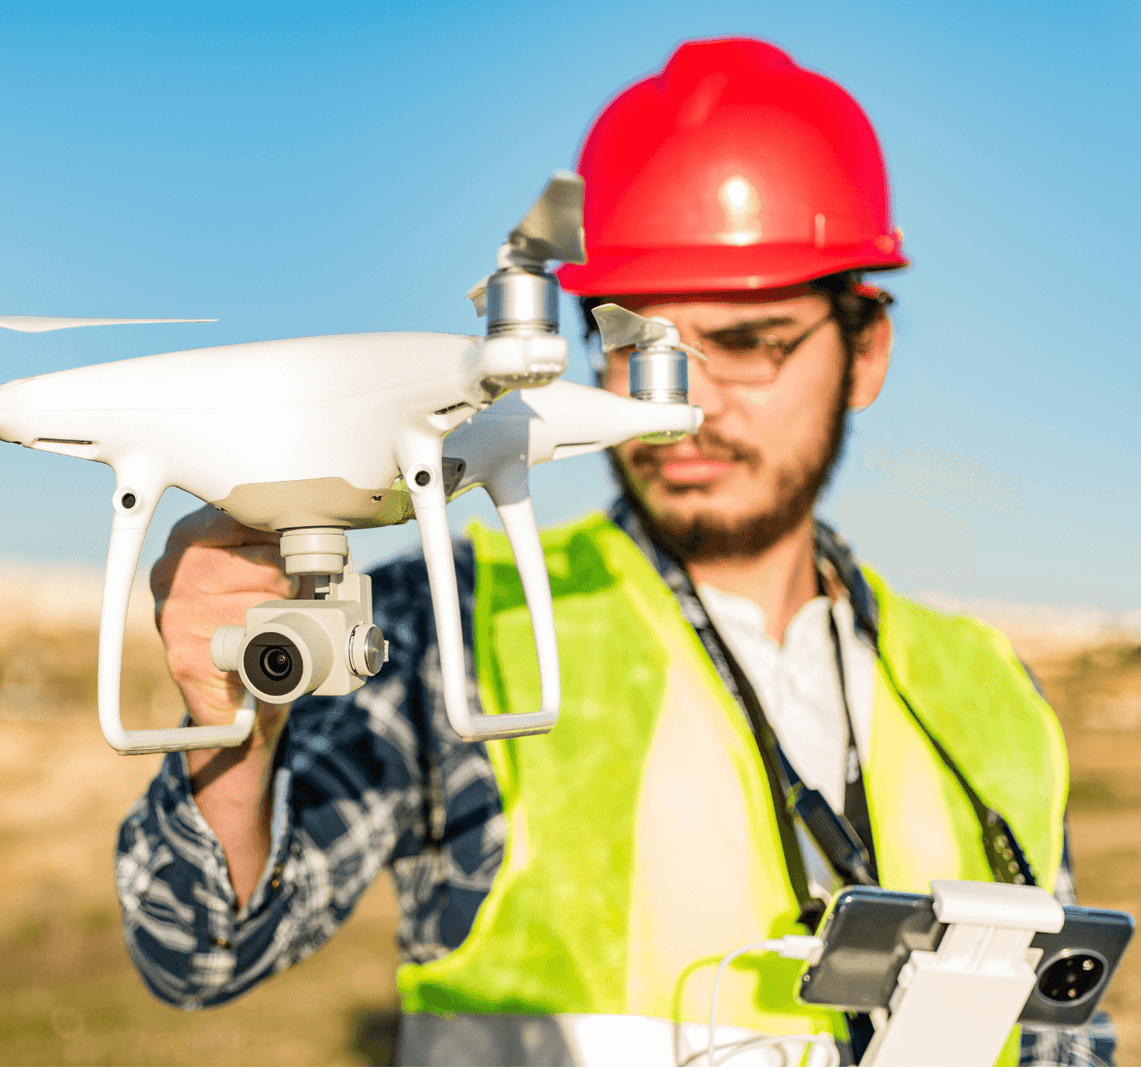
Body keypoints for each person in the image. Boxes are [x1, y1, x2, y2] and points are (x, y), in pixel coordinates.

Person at [115, 37, 1112, 1067]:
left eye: (753, 340)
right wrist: (227, 720)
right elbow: (199, 950)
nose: (688, 405)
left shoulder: (991, 694)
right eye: (642, 349)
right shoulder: (457, 623)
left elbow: (1056, 1041)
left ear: (865, 352)